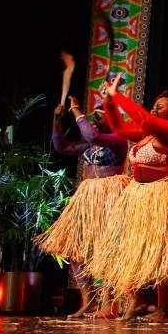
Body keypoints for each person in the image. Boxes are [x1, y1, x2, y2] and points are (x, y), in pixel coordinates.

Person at [89, 74, 168, 322]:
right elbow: (119, 128)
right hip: (141, 196)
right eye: (155, 104)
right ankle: (137, 298)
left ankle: (164, 308)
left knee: (164, 254)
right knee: (132, 250)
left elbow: (146, 120)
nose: (155, 107)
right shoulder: (147, 134)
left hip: (166, 196)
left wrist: (119, 96)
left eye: (162, 105)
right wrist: (108, 102)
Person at [36, 95, 130, 316]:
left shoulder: (118, 138)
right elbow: (61, 146)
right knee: (76, 251)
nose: (95, 118)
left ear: (113, 118)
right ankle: (88, 300)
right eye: (94, 114)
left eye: (100, 114)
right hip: (88, 197)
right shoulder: (90, 143)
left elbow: (91, 133)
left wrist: (76, 110)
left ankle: (108, 303)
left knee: (108, 249)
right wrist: (57, 121)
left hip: (110, 196)